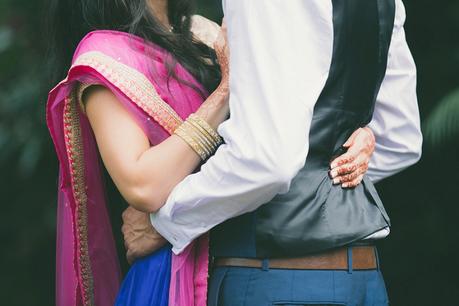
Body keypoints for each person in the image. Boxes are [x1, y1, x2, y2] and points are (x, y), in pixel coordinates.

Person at [45, 0, 377, 305]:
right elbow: (142, 185)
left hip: (237, 260)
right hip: (171, 277)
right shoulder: (105, 57)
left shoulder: (204, 33)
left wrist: (353, 134)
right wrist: (224, 93)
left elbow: (273, 131)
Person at [124, 0, 423, 305]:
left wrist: (165, 220)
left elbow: (266, 161)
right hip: (363, 279)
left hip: (275, 279)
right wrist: (330, 161)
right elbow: (400, 138)